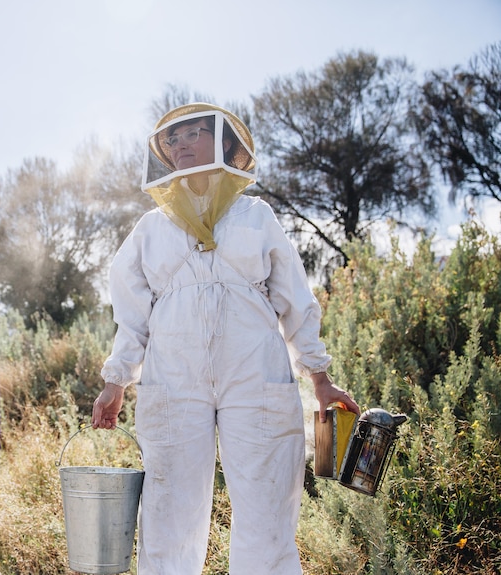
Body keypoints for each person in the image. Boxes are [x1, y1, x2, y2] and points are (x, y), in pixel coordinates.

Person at [91, 103, 361, 575]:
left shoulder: (256, 216)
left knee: (267, 513)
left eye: (192, 134)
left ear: (224, 144)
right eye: (171, 141)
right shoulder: (150, 229)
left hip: (255, 375)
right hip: (174, 381)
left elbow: (295, 299)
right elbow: (132, 317)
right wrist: (116, 381)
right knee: (168, 514)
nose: (179, 147)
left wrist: (320, 379)